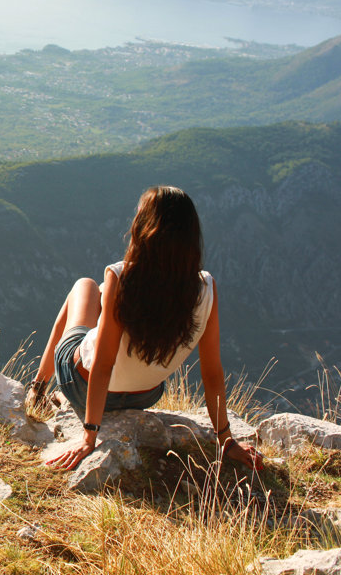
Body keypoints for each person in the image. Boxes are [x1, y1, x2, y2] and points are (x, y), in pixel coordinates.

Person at [29, 185, 263, 472]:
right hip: (144, 395)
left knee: (85, 286)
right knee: (103, 293)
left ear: (146, 228)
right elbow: (212, 371)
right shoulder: (205, 288)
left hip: (81, 384)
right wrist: (226, 439)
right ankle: (42, 390)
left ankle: (38, 389)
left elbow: (103, 363)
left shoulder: (121, 275)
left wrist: (90, 435)